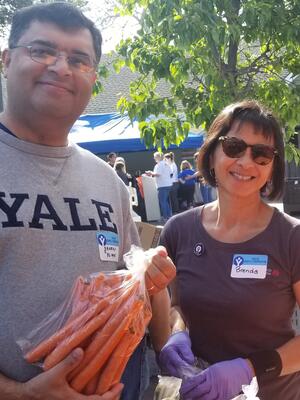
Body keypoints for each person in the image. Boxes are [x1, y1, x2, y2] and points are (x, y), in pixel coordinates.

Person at [0, 3, 176, 400]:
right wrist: (21, 393)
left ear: (93, 78)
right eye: (42, 50)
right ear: (7, 60)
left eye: (78, 59)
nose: (61, 67)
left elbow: (125, 289)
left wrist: (146, 280)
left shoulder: (106, 181)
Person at [158, 100, 300, 399]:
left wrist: (250, 368)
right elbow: (174, 304)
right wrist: (177, 331)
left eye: (261, 154)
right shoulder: (177, 231)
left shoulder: (292, 237)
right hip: (196, 392)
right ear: (211, 155)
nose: (246, 162)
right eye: (234, 146)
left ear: (272, 167)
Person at [146, 152, 172, 222]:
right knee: (165, 201)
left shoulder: (160, 164)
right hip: (167, 184)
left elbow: (158, 174)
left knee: (163, 201)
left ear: (158, 157)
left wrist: (150, 173)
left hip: (162, 185)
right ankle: (169, 216)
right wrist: (152, 173)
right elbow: (170, 173)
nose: (154, 158)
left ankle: (165, 217)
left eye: (155, 157)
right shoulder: (166, 163)